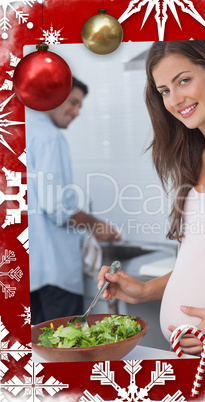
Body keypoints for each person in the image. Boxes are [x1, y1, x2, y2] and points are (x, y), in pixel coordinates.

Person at [98, 40, 205, 356]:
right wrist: (144, 290)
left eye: (183, 80)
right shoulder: (194, 159)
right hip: (196, 361)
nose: (175, 100)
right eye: (164, 90)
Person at [26, 77, 120, 325]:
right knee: (67, 351)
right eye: (73, 103)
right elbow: (58, 207)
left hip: (27, 271)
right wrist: (96, 225)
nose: (76, 112)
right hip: (53, 272)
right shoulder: (49, 136)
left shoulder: (17, 130)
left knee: (38, 351)